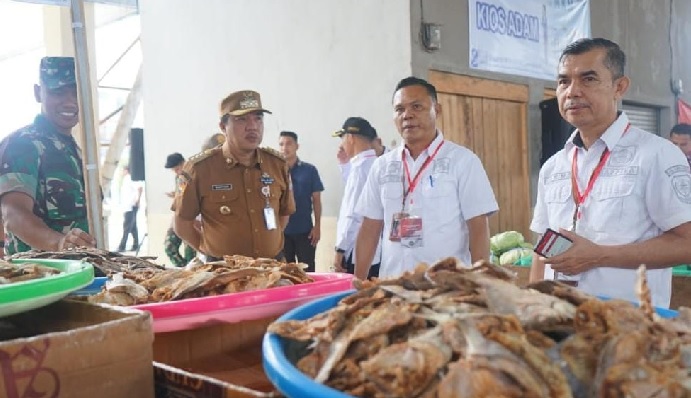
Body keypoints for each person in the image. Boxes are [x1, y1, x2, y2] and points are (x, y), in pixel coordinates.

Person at [529, 38, 691, 308]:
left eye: (588, 79)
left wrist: (599, 256)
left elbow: (687, 243)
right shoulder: (554, 165)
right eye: (563, 81)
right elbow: (542, 249)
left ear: (619, 87)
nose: (572, 92)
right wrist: (531, 307)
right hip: (562, 320)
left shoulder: (656, 154)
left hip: (629, 328)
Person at [354, 77, 498, 280]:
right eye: (399, 109)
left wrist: (481, 283)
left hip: (446, 289)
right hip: (393, 285)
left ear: (436, 110)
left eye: (417, 106)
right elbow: (370, 227)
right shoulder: (382, 166)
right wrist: (358, 283)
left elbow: (478, 227)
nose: (407, 115)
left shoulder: (463, 161)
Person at [172, 90, 295, 260]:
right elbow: (182, 224)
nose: (252, 126)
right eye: (241, 119)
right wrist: (209, 251)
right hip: (223, 275)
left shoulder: (277, 165)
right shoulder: (199, 169)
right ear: (223, 127)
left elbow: (283, 214)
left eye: (258, 118)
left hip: (272, 267)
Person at [0, 56, 96, 254]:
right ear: (38, 92)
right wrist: (59, 243)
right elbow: (14, 213)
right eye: (58, 92)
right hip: (40, 276)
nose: (70, 102)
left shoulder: (75, 151)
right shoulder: (23, 144)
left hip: (80, 273)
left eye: (76, 92)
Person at [333, 117, 382, 277]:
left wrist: (341, 249)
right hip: (376, 251)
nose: (341, 145)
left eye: (343, 139)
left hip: (357, 251)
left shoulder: (360, 170)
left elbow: (353, 215)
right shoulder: (375, 164)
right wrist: (344, 165)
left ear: (350, 137)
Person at [278, 131, 324, 271]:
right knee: (285, 273)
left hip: (305, 231)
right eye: (281, 144)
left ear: (297, 146)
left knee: (308, 271)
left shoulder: (309, 170)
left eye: (289, 143)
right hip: (282, 232)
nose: (285, 148)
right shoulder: (275, 171)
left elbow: (316, 200)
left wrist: (317, 227)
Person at [163, 152, 196, 266]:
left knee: (190, 252)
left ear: (183, 163)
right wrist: (175, 196)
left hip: (192, 218)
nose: (176, 172)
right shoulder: (179, 178)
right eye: (174, 170)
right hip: (178, 216)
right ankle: (183, 268)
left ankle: (191, 271)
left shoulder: (193, 175)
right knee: (169, 246)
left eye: (177, 168)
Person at [116, 167, 143, 252]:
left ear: (126, 170)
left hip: (131, 206)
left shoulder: (129, 178)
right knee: (133, 227)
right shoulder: (125, 180)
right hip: (127, 207)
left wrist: (138, 200)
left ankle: (122, 246)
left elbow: (139, 188)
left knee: (126, 227)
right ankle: (135, 245)